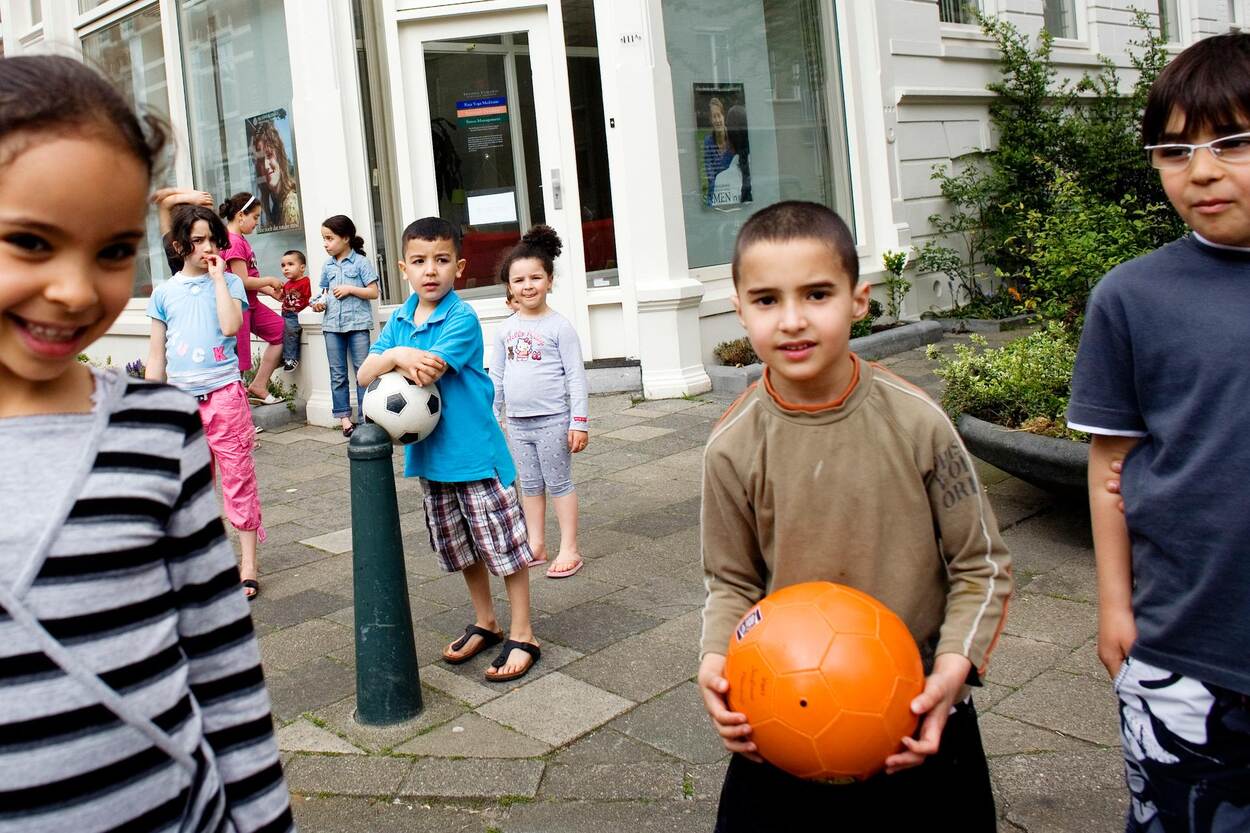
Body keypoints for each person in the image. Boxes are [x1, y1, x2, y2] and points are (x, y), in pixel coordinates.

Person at [0, 54, 291, 832]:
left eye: (111, 251)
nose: (73, 288)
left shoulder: (155, 431)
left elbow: (224, 666)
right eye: (30, 242)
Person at [697, 201, 1011, 831]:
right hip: (788, 712)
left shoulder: (919, 423)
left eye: (817, 294)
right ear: (738, 309)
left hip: (918, 713)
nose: (792, 321)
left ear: (859, 299)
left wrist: (955, 665)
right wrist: (714, 660)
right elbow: (732, 582)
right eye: (766, 300)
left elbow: (981, 565)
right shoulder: (731, 445)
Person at [1068, 33, 1250, 833]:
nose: (1202, 169)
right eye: (1174, 149)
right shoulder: (1132, 298)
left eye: (1233, 141)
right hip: (1182, 650)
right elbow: (1111, 463)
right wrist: (1117, 607)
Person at [357, 217, 540, 682]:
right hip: (432, 461)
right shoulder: (399, 320)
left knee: (505, 548)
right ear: (404, 269)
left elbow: (428, 372)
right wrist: (395, 355)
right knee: (462, 549)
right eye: (419, 262)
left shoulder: (460, 318)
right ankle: (487, 621)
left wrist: (395, 358)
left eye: (441, 261)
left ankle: (524, 632)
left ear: (458, 267)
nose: (430, 270)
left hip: (476, 456)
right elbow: (364, 374)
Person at [147, 205, 267, 603]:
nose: (206, 248)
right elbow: (156, 356)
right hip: (182, 401)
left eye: (212, 239)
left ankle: (247, 565)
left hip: (225, 396)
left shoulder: (230, 283)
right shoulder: (164, 293)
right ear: (180, 245)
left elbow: (232, 327)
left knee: (238, 479)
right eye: (197, 241)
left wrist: (219, 279)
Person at [489, 225, 590, 577]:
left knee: (558, 482)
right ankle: (536, 543)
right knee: (529, 485)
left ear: (549, 280)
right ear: (509, 287)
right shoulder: (504, 330)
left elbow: (576, 377)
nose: (527, 285)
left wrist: (579, 421)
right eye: (519, 280)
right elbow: (497, 377)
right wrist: (493, 414)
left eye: (535, 277)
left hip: (553, 421)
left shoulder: (560, 328)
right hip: (517, 423)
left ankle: (569, 547)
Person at [310, 215, 379, 437]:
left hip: (357, 325)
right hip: (332, 326)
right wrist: (318, 304)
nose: (325, 244)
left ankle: (365, 418)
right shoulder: (327, 266)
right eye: (324, 239)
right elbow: (322, 294)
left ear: (346, 238)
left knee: (363, 372)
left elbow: (373, 292)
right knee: (337, 374)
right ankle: (345, 419)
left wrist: (350, 289)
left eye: (329, 238)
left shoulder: (361, 262)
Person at [218, 191, 285, 408]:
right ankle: (237, 414)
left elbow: (250, 281)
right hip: (239, 309)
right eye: (255, 217)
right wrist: (270, 280)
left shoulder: (240, 240)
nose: (257, 222)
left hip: (252, 304)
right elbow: (242, 282)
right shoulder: (233, 242)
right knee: (239, 362)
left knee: (281, 331)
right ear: (240, 216)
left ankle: (259, 385)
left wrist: (268, 290)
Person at [250, 118, 300, 230]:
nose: (266, 166)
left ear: (279, 155)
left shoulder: (291, 204)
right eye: (261, 160)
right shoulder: (275, 202)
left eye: (269, 155)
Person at [279, 249, 310, 371]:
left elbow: (309, 299)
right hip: (285, 313)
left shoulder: (306, 282)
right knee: (278, 331)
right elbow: (285, 299)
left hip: (296, 315)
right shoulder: (287, 284)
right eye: (283, 265)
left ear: (302, 268)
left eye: (290, 264)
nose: (286, 268)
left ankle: (291, 358)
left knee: (291, 331)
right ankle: (283, 356)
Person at [703, 96, 734, 206]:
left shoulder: (733, 139)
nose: (717, 120)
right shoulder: (708, 143)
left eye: (719, 116)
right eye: (714, 117)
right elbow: (710, 177)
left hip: (733, 189)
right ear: (711, 120)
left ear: (723, 116)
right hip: (716, 192)